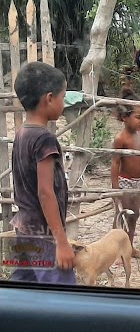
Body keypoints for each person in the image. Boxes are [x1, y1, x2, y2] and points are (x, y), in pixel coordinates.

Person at [10, 62, 75, 284]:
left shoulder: (22, 134)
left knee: (22, 295)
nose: (63, 103)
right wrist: (62, 242)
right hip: (44, 236)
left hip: (24, 229)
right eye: (63, 97)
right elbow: (45, 192)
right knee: (63, 302)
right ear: (49, 99)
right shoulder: (44, 139)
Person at [111, 88, 140, 259]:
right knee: (121, 217)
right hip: (124, 182)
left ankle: (129, 248)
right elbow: (115, 163)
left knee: (134, 216)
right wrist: (115, 189)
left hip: (137, 182)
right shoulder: (121, 139)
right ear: (124, 118)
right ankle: (115, 252)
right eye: (139, 117)